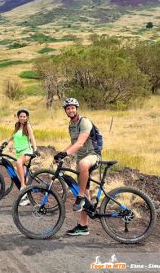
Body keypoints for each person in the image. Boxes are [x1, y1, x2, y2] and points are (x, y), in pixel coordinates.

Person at [54, 98, 100, 236]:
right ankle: (83, 226)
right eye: (68, 108)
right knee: (86, 193)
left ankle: (79, 197)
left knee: (82, 165)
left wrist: (66, 153)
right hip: (81, 158)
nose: (71, 110)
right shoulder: (71, 125)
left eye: (73, 108)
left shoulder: (84, 122)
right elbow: (73, 143)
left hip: (93, 155)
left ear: (77, 108)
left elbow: (80, 143)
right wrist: (61, 153)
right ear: (65, 111)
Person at [7, 108, 37, 206]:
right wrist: (6, 142)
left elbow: (32, 137)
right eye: (21, 116)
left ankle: (23, 186)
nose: (23, 118)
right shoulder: (17, 125)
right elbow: (13, 135)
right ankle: (27, 197)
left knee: (18, 163)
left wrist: (35, 149)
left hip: (27, 151)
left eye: (24, 116)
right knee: (24, 175)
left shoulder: (27, 126)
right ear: (18, 117)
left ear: (27, 117)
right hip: (18, 152)